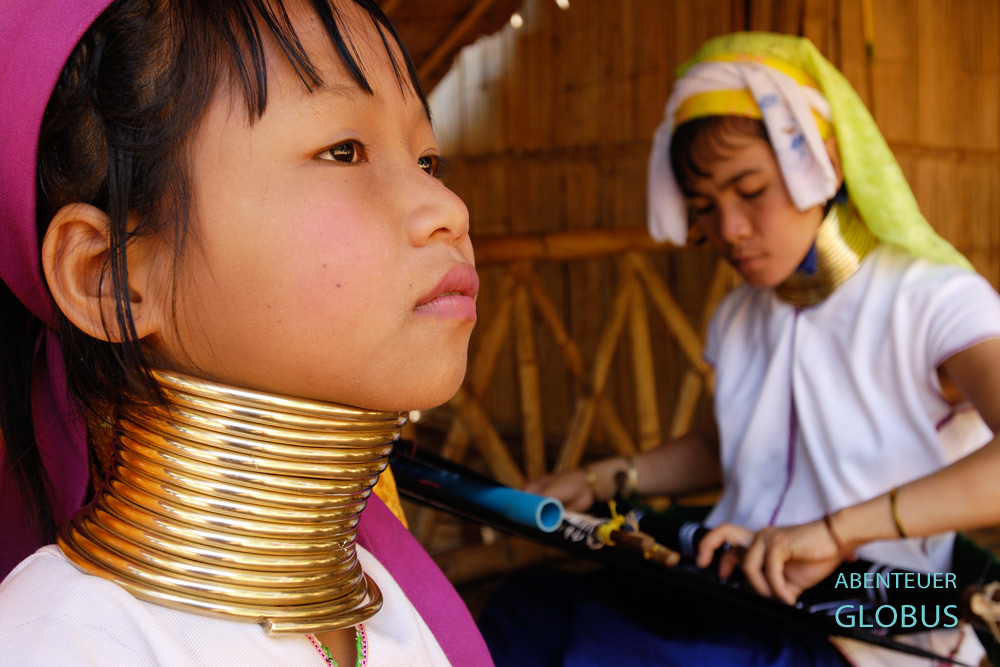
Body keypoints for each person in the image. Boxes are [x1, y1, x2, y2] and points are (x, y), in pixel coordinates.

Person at [0, 0, 493, 664]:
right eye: (344, 151)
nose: (448, 209)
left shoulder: (384, 605)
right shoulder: (70, 638)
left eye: (427, 161)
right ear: (111, 275)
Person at [520, 31, 1000, 666]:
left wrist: (836, 533)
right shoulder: (740, 314)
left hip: (881, 602)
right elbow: (736, 444)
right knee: (531, 612)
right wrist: (604, 478)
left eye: (750, 190)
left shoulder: (932, 299)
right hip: (743, 577)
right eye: (704, 207)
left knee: (615, 652)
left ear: (822, 162)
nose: (730, 230)